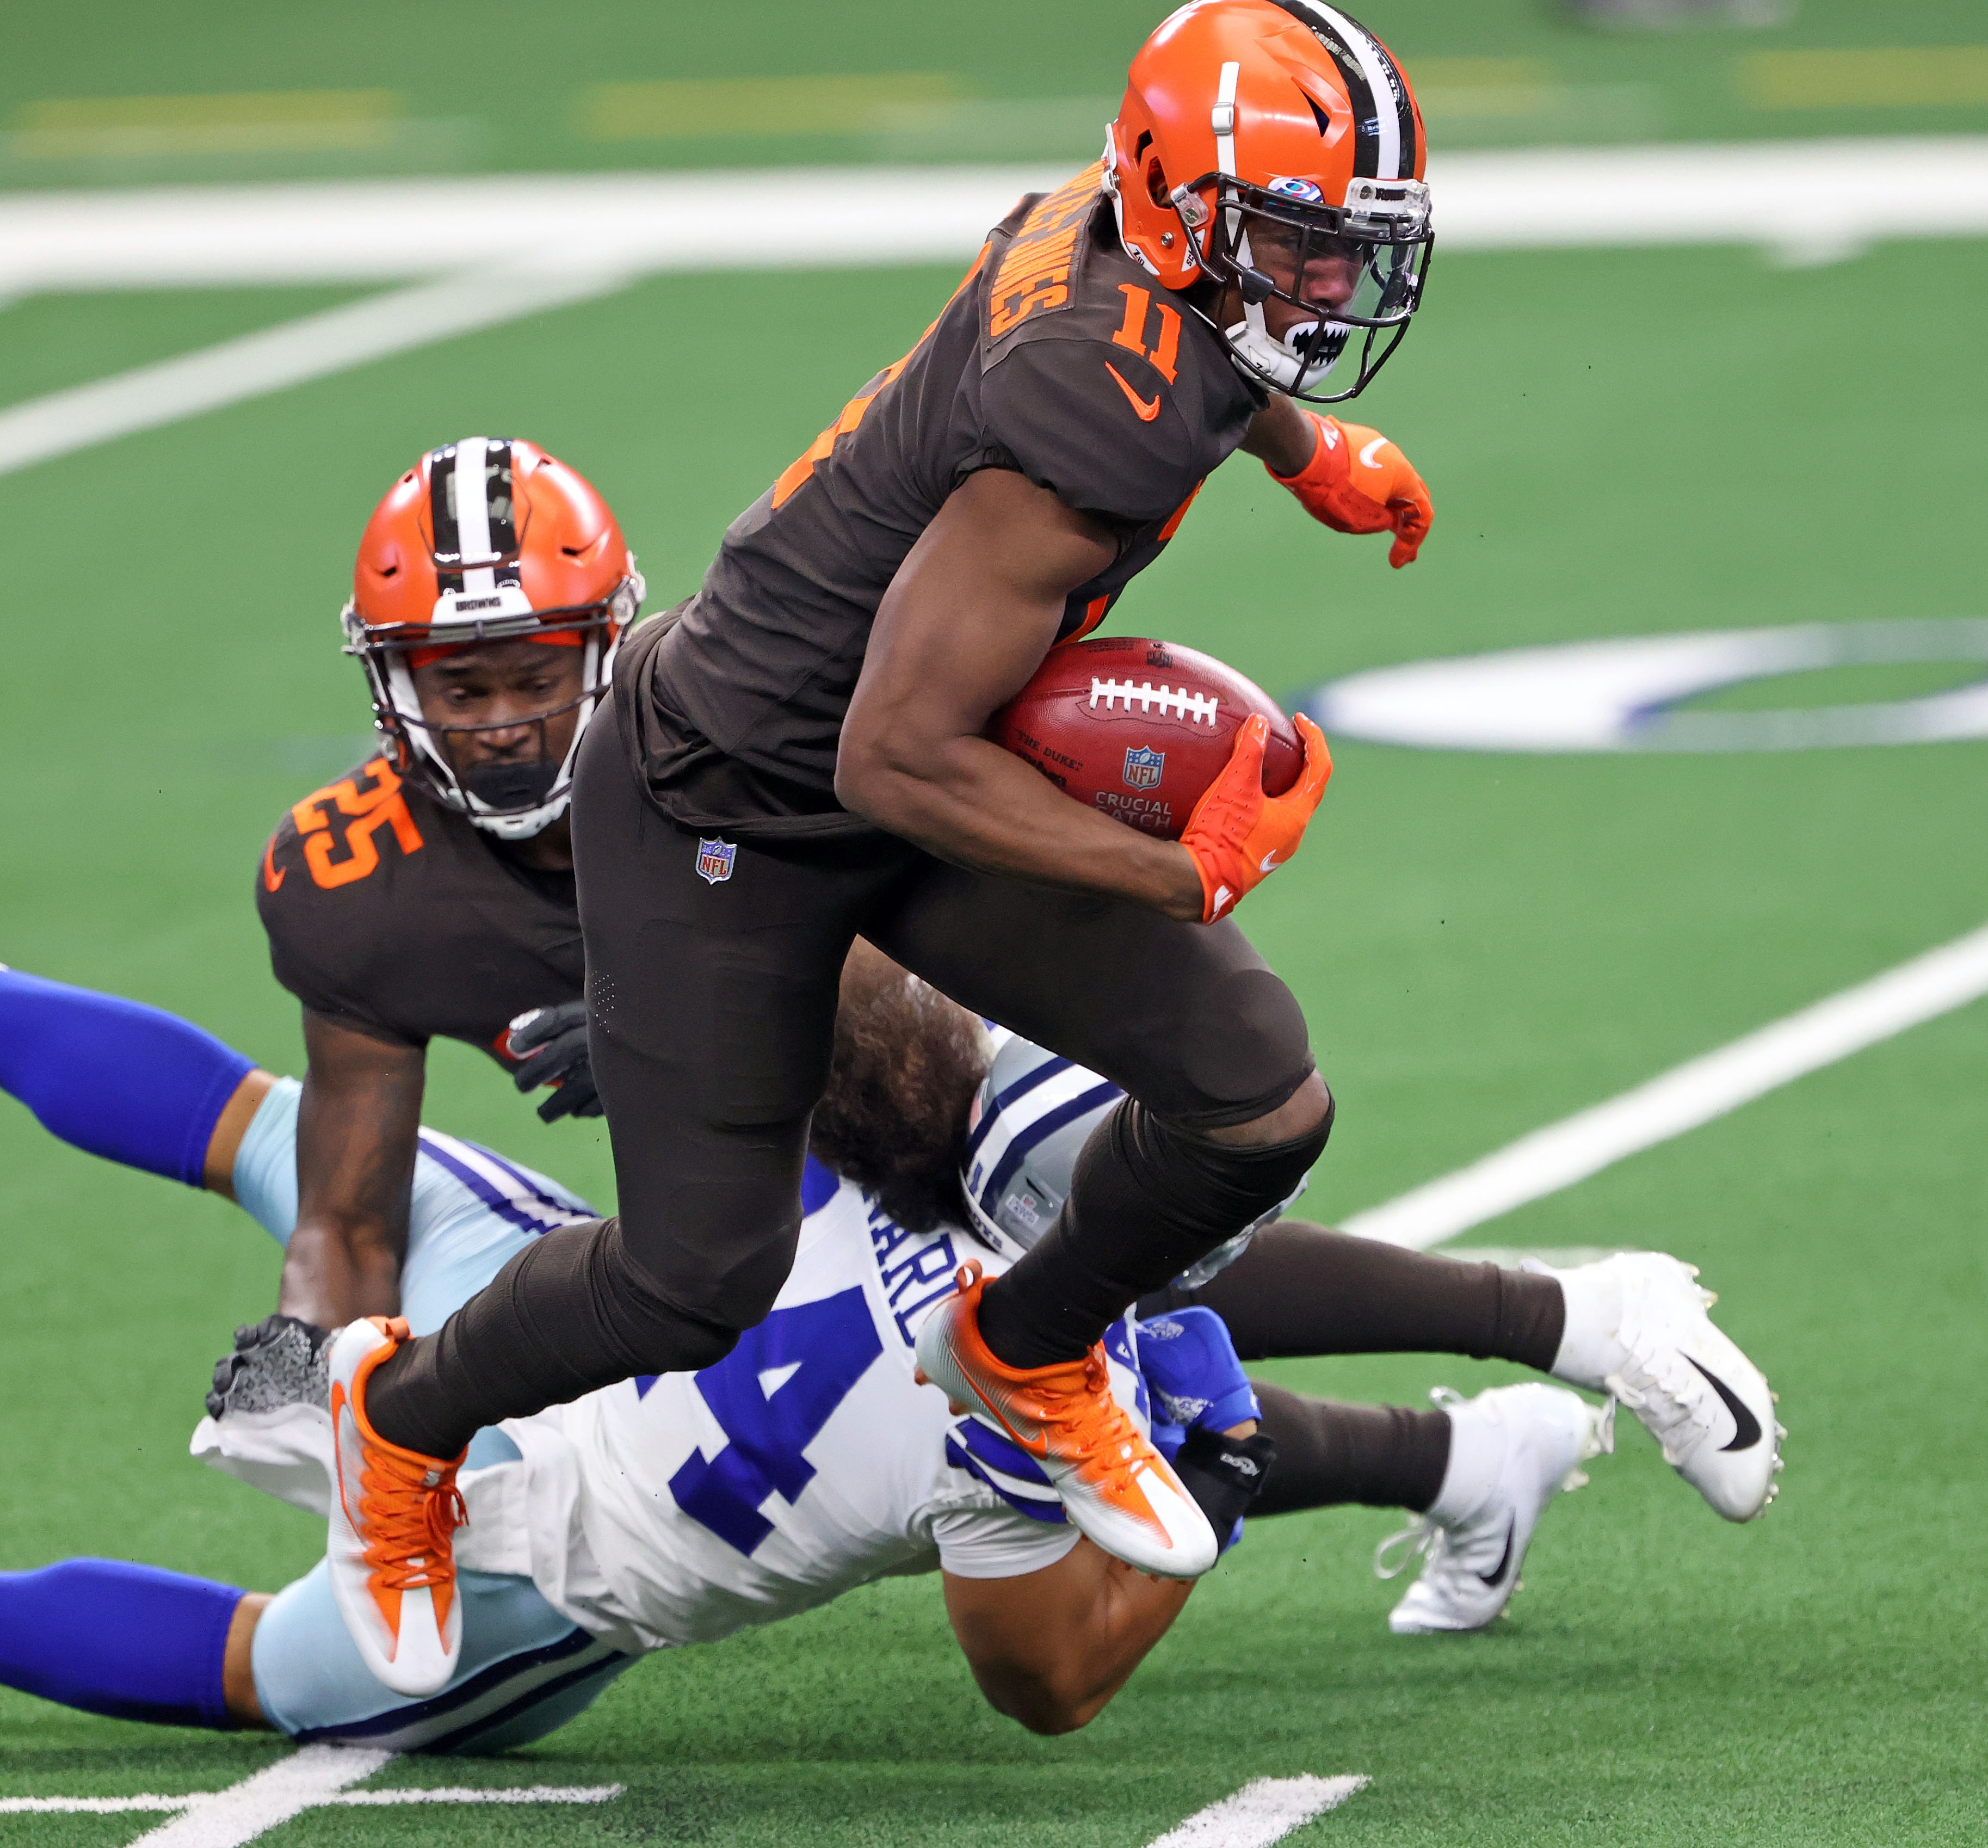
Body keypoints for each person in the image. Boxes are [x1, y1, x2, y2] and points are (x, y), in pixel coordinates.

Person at [330, 0, 1459, 1693]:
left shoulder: (1113, 223)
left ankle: (1020, 1342)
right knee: (691, 1279)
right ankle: (395, 1418)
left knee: (1255, 1099)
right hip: (734, 797)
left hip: (908, 742)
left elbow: (1198, 365)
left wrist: (1305, 449)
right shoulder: (1103, 397)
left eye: (1340, 249)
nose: (1322, 289)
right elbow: (893, 755)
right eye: (1293, 246)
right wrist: (1181, 867)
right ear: (1182, 206)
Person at [0, 957, 1774, 1741]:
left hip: (510, 1373)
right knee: (253, 1663)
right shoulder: (1006, 1371)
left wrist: (671, 1033)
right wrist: (1204, 1506)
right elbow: (1045, 1679)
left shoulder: (913, 1146)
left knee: (258, 1123)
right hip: (531, 1524)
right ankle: (1478, 1436)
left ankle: (1469, 1451)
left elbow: (1042, 1674)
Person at [254, 437, 643, 1328]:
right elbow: (348, 1227)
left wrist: (673, 1027)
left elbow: (916, 1013)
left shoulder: (724, 765)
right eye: (463, 694)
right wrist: (319, 1363)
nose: (504, 726)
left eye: (533, 680)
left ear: (603, 653)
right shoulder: (354, 881)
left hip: (863, 1149)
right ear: (394, 690)